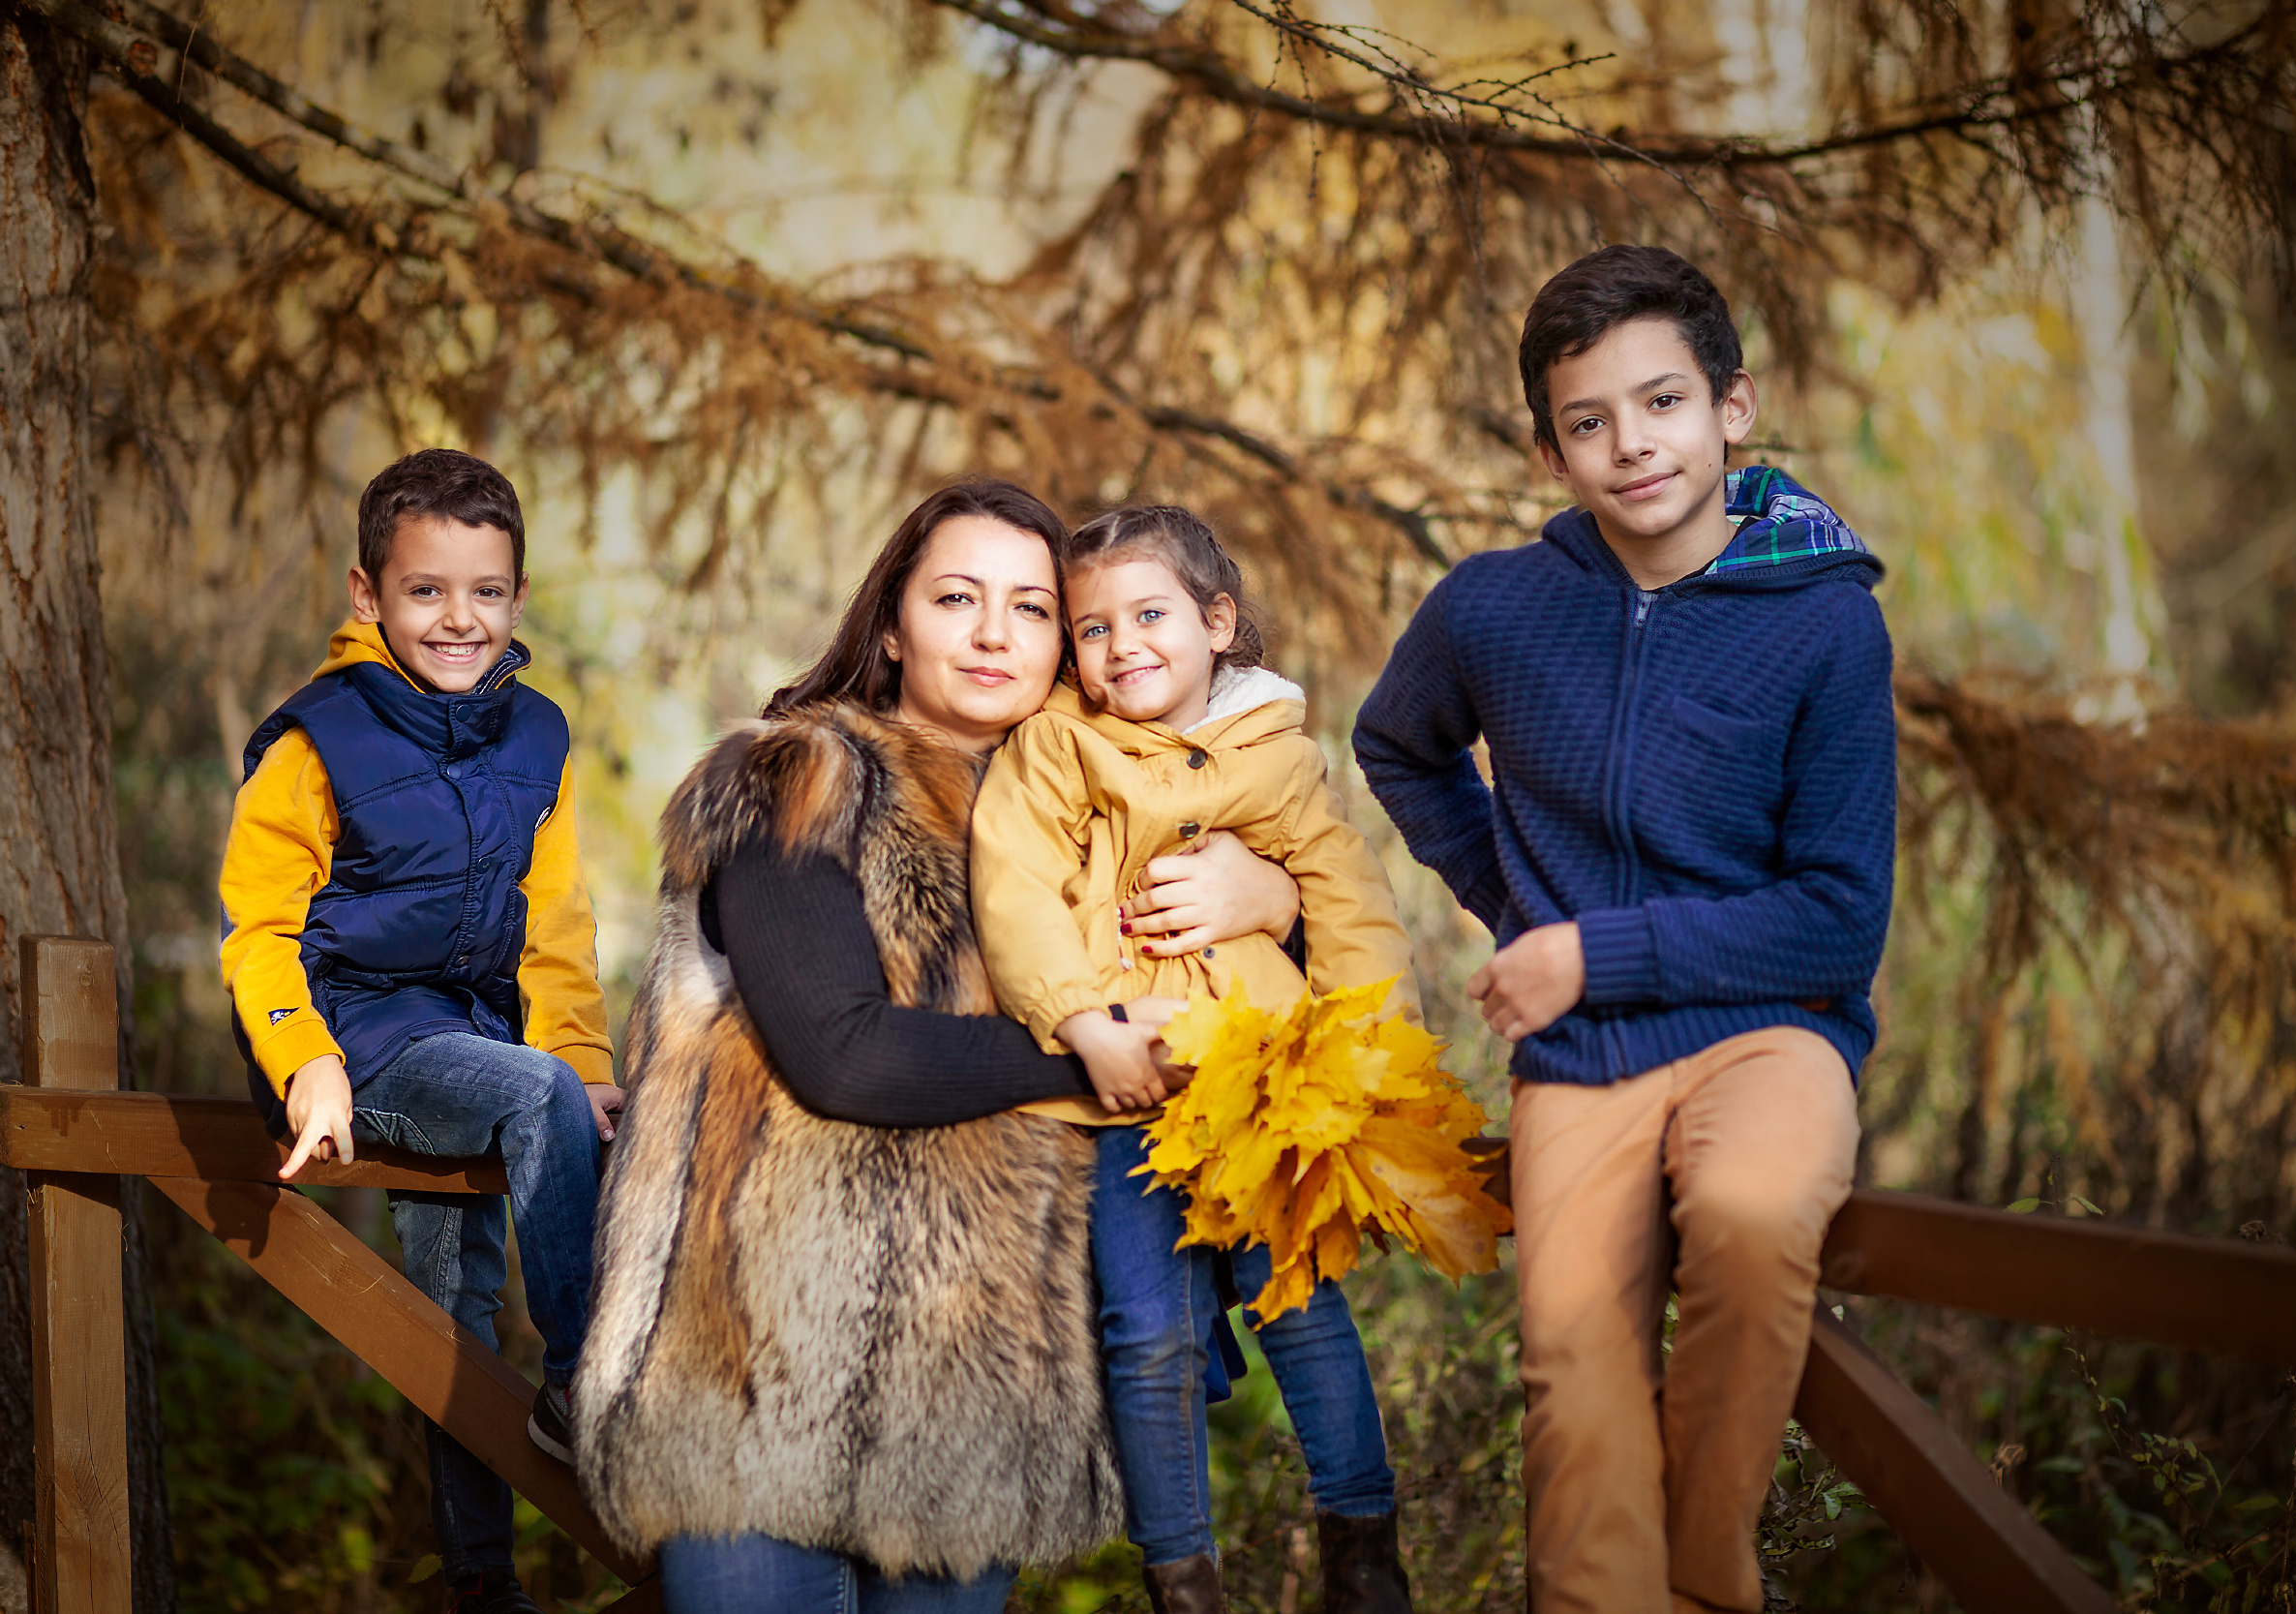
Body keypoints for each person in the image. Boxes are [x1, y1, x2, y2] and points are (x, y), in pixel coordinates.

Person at [572, 480, 1304, 1614]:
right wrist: (1088, 1055)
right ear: (890, 625)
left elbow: (1249, 992)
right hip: (760, 1385)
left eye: (1032, 607)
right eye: (956, 597)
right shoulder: (800, 778)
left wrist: (1266, 896)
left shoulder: (1104, 821)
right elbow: (843, 1055)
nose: (992, 632)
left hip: (982, 1411)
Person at [1352, 245, 1897, 1614]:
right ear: (1550, 451)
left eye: (1660, 403)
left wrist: (1594, 949)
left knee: (1755, 1209)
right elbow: (1395, 743)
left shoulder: (1827, 624)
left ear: (1733, 407)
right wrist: (1517, 897)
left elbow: (1837, 918)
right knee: (1573, 1370)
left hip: (1770, 1032)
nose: (1629, 444)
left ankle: (1709, 1574)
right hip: (1582, 1059)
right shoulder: (1494, 605)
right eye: (1588, 421)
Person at [970, 504, 1418, 1614]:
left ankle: (1363, 1547)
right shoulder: (1057, 748)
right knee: (1146, 1327)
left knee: (1302, 1301)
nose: (1122, 646)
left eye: (1151, 614)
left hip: (1266, 1075)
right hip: (1128, 1083)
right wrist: (1081, 1021)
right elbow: (1015, 888)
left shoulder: (1276, 753)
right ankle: (1182, 1574)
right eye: (1092, 628)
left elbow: (1350, 899)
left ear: (1218, 622)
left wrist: (1371, 1058)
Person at [219, 448, 619, 1614]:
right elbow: (258, 929)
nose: (459, 617)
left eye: (485, 591)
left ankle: (479, 1576)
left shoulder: (537, 734)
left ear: (517, 597)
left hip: (480, 1040)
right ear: (366, 594)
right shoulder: (315, 739)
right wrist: (308, 1063)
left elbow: (555, 924)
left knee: (449, 1305)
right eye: (426, 590)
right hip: (359, 1042)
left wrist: (585, 1065)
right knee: (532, 1098)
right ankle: (584, 1379)